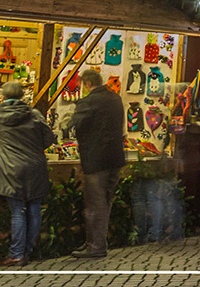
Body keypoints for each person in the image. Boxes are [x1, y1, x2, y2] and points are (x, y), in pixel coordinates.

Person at [0, 82, 55, 266]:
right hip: (35, 166)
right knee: (34, 208)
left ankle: (16, 253)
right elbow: (50, 138)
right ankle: (27, 251)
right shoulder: (35, 115)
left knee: (17, 210)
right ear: (22, 95)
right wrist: (33, 148)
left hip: (10, 168)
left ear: (3, 96)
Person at [70, 68, 126, 258]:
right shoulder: (115, 99)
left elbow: (75, 124)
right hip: (115, 158)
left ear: (86, 84)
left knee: (95, 204)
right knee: (106, 201)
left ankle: (95, 246)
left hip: (96, 159)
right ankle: (98, 243)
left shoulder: (88, 102)